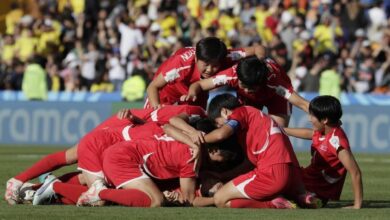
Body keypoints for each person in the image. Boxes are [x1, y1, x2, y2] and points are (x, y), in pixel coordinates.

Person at [4, 104, 206, 205]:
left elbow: (164, 123)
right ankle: (35, 184)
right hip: (109, 141)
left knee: (81, 171)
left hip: (117, 139)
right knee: (99, 196)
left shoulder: (172, 128)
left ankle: (39, 187)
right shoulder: (182, 116)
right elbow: (164, 119)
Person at [201, 94, 319, 209]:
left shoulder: (241, 112)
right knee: (283, 190)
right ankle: (303, 197)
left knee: (220, 199)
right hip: (293, 175)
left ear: (224, 112)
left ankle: (273, 204)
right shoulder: (257, 122)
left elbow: (221, 134)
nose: (218, 126)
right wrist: (223, 176)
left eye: (217, 123)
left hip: (273, 173)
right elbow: (249, 164)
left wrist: (198, 140)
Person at [283, 95, 363, 209]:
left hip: (317, 190)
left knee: (276, 188)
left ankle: (307, 199)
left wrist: (357, 205)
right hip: (306, 178)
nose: (309, 119)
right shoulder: (323, 130)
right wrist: (281, 129)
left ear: (325, 120)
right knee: (278, 176)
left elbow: (355, 172)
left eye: (313, 116)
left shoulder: (336, 142)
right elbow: (310, 134)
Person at [182, 56, 309, 127]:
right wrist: (192, 93)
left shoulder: (275, 83)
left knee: (277, 131)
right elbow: (199, 84)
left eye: (251, 88)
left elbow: (303, 104)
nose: (247, 90)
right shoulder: (232, 74)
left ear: (261, 83)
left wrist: (324, 114)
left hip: (276, 98)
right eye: (243, 86)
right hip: (249, 100)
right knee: (243, 127)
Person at [145, 36, 265, 109]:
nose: (209, 70)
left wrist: (261, 61)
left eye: (215, 65)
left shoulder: (227, 55)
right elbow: (153, 87)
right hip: (166, 93)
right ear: (196, 59)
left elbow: (257, 48)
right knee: (150, 125)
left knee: (196, 124)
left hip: (197, 93)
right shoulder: (180, 64)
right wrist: (157, 109)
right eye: (206, 64)